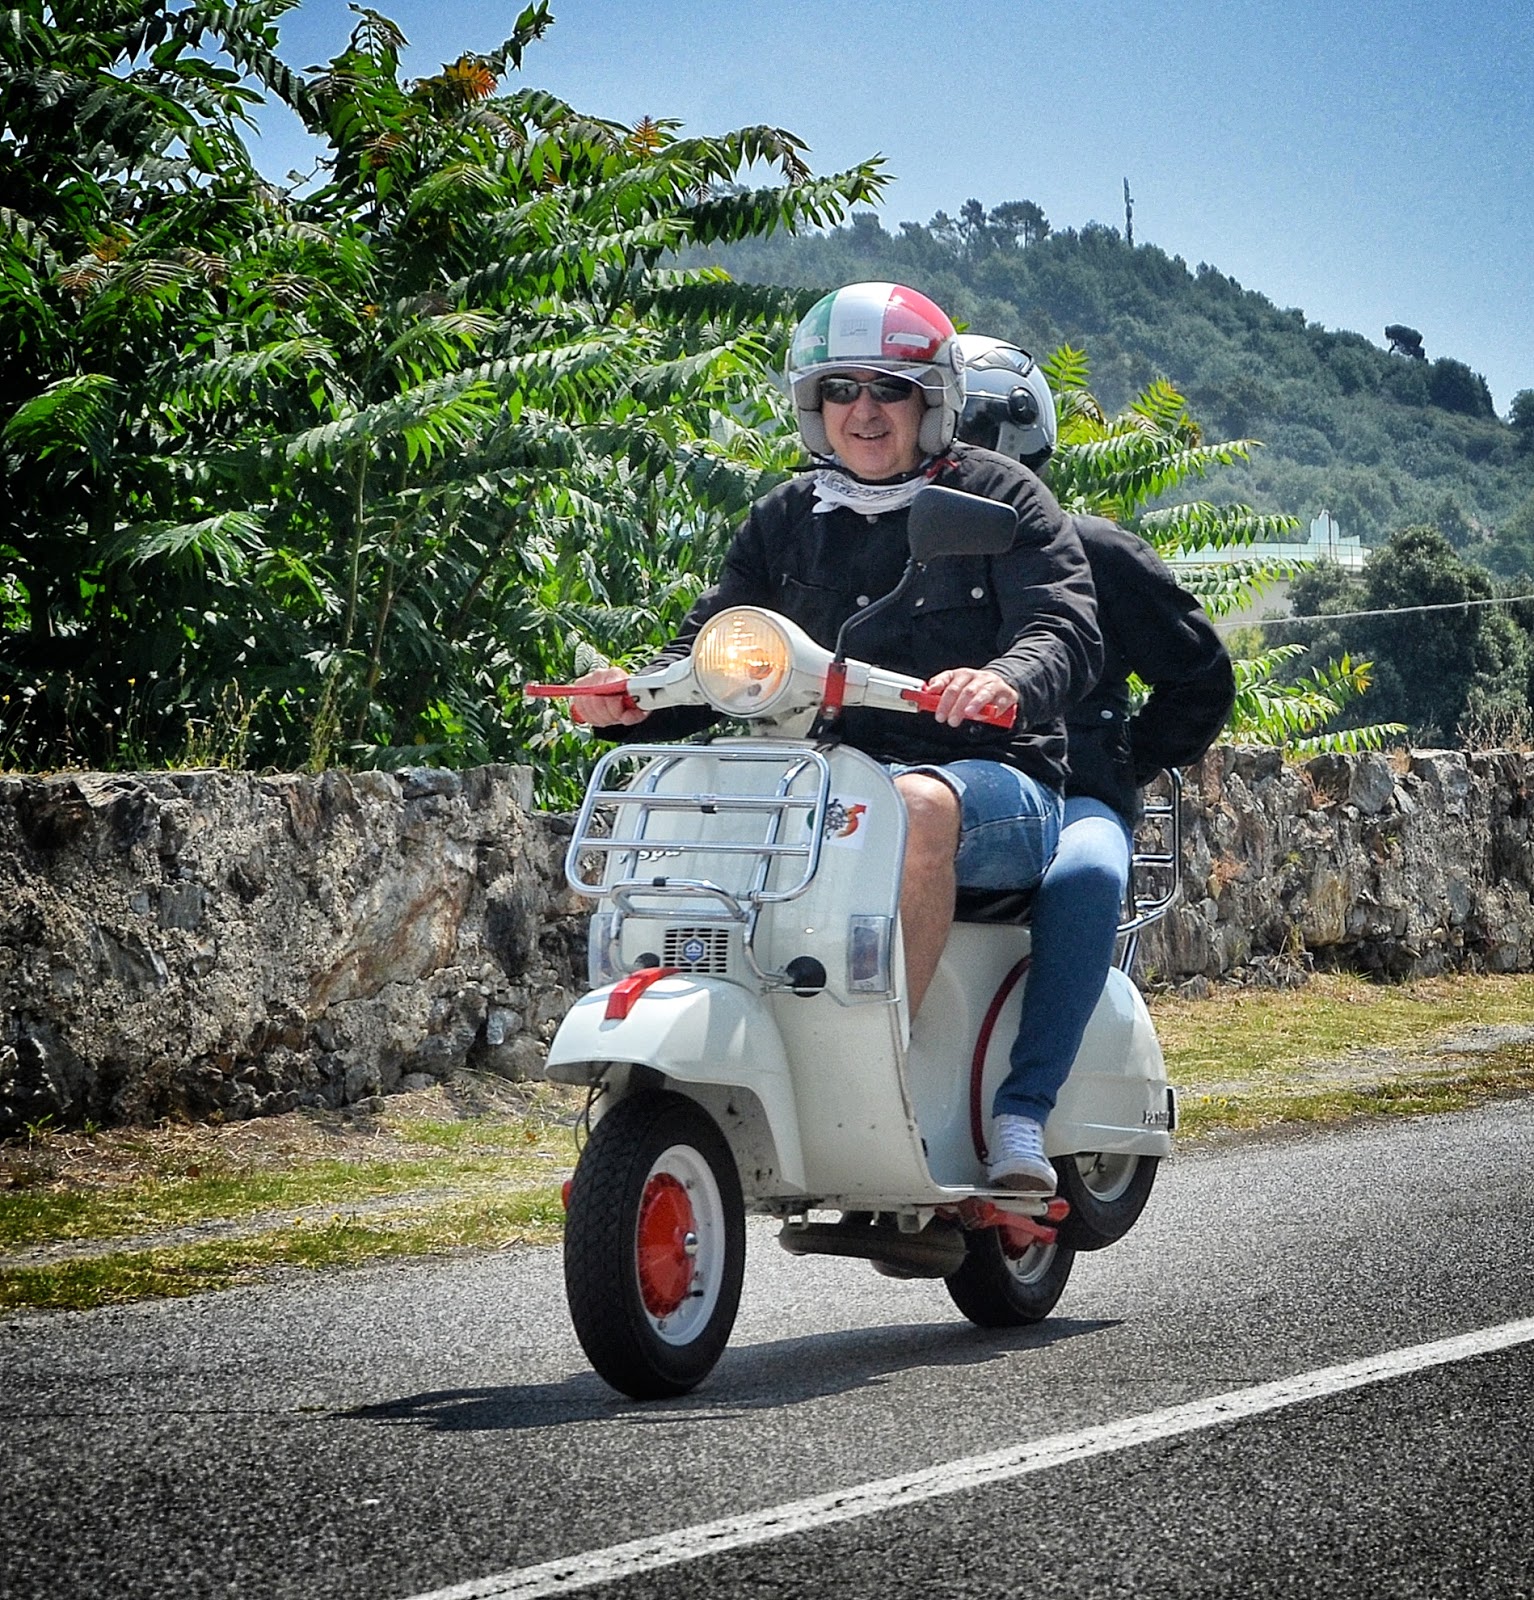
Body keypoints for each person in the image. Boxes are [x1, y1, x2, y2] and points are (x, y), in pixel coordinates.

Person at [571, 282, 1102, 1077]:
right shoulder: (786, 517)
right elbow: (710, 647)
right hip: (818, 780)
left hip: (991, 783)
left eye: (890, 388)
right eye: (840, 389)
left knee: (913, 806)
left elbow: (1063, 627)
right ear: (814, 406)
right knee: (683, 796)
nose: (864, 410)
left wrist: (1004, 680)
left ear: (934, 400)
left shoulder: (1001, 497)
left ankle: (877, 1064)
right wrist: (627, 699)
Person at [955, 334, 1236, 1193]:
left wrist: (1124, 760)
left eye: (959, 420)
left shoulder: (1094, 552)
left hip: (1072, 792)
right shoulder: (891, 551)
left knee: (1085, 874)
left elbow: (1201, 676)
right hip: (930, 786)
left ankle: (1024, 1108)